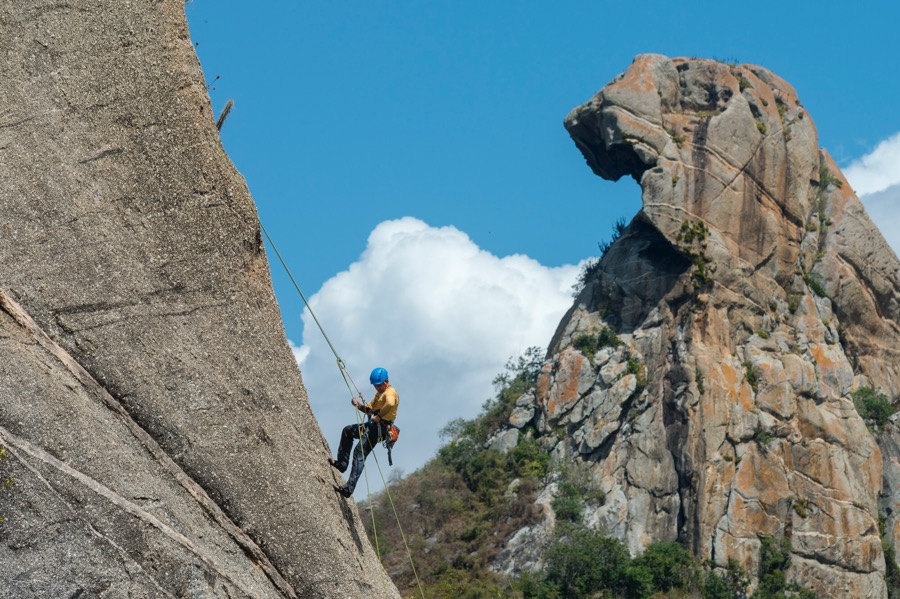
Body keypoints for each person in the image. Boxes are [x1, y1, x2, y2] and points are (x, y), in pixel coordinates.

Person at [330, 367, 399, 497]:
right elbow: (369, 410)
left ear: (386, 381)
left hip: (380, 429)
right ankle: (342, 464)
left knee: (359, 452)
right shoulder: (379, 394)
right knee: (347, 431)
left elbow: (390, 404)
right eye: (375, 386)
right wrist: (358, 405)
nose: (377, 388)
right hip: (373, 426)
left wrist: (379, 416)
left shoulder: (390, 392)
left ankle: (348, 489)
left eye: (378, 385)